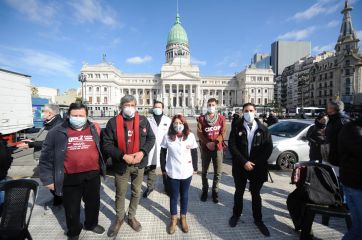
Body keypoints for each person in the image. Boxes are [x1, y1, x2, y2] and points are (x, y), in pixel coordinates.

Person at [39, 102, 106, 240]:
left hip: (92, 174)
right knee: (71, 207)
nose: (78, 118)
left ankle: (91, 224)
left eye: (81, 115)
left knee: (93, 203)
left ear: (87, 116)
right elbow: (45, 158)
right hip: (69, 176)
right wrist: (48, 179)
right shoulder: (56, 132)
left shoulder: (94, 128)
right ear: (68, 115)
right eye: (75, 115)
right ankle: (74, 230)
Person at [103, 95, 155, 237]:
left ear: (136, 106)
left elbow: (151, 138)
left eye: (132, 105)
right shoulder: (113, 122)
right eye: (126, 105)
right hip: (121, 164)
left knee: (136, 191)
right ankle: (119, 218)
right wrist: (122, 156)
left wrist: (142, 152)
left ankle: (131, 216)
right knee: (120, 192)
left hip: (139, 163)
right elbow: (107, 144)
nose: (129, 108)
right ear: (121, 106)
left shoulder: (143, 120)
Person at [228, 103, 273, 236]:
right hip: (240, 166)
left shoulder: (263, 129)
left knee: (255, 194)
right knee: (239, 192)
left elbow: (268, 149)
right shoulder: (236, 127)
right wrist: (244, 162)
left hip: (257, 167)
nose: (249, 113)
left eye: (251, 110)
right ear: (242, 112)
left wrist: (253, 163)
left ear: (255, 111)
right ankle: (236, 215)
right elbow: (232, 145)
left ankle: (258, 220)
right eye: (246, 111)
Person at [17, 104, 63, 206]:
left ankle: (59, 200)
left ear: (50, 113)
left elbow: (51, 142)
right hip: (44, 157)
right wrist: (32, 140)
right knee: (51, 182)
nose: (42, 113)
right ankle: (58, 198)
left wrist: (30, 144)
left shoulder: (58, 124)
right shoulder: (49, 122)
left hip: (50, 159)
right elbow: (44, 138)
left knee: (52, 181)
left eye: (44, 111)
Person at [160, 114, 198, 234]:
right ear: (172, 124)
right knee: (174, 196)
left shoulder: (190, 136)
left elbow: (194, 152)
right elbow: (162, 153)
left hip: (187, 171)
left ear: (184, 124)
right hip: (173, 171)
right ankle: (173, 219)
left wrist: (195, 167)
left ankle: (183, 218)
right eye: (175, 123)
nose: (178, 125)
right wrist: (163, 169)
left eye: (180, 123)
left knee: (185, 195)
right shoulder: (167, 137)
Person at [197, 98, 226, 203]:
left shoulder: (221, 118)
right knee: (204, 171)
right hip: (205, 148)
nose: (211, 107)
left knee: (218, 172)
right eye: (209, 105)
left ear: (216, 106)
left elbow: (223, 133)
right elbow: (200, 133)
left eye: (213, 105)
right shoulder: (201, 119)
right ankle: (205, 190)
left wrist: (215, 142)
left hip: (217, 148)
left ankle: (215, 191)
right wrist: (207, 143)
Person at [339, 115, 362, 240]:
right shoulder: (354, 130)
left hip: (353, 182)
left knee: (358, 228)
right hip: (356, 184)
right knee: (359, 229)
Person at [143, 100, 171, 198]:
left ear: (163, 109)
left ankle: (167, 187)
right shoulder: (148, 120)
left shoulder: (168, 120)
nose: (157, 109)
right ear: (153, 108)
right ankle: (150, 187)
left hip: (164, 148)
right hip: (152, 148)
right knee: (151, 167)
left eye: (159, 107)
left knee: (165, 168)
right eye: (156, 107)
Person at [325, 100, 350, 168]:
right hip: (334, 158)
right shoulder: (334, 119)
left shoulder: (341, 121)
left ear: (332, 109)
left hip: (339, 160)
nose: (327, 109)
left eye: (328, 107)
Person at [0, 133, 13, 214]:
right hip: (3, 172)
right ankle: (3, 209)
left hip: (2, 172)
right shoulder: (3, 142)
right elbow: (8, 157)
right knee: (2, 190)